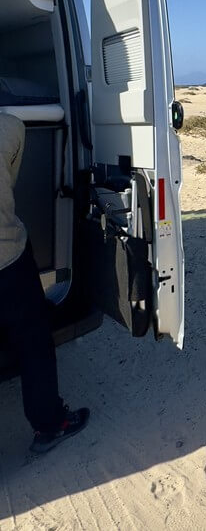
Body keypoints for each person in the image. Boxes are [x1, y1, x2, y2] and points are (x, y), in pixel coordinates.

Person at [0, 112, 89, 455]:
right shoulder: (11, 127)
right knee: (33, 340)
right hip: (7, 254)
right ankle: (50, 424)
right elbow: (10, 179)